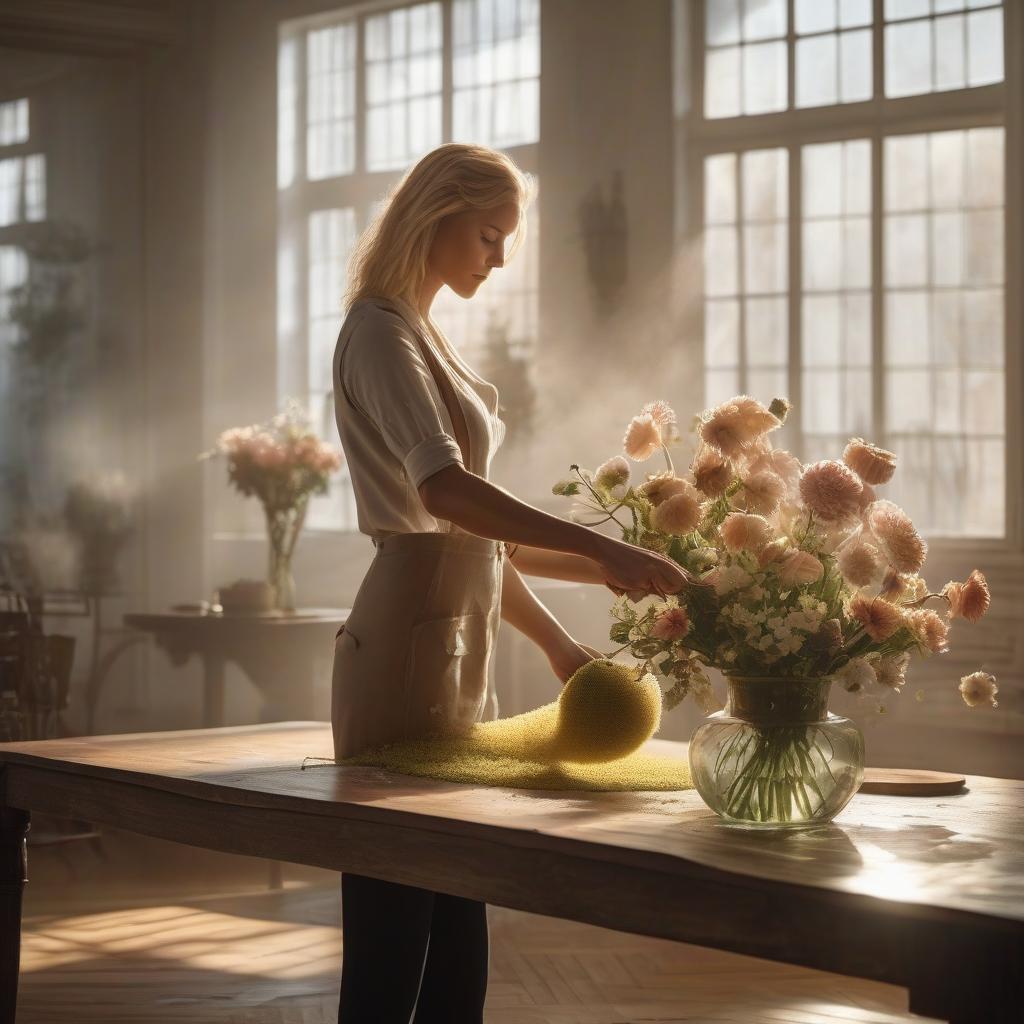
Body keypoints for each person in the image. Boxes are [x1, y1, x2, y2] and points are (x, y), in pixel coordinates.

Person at [330, 142, 703, 1023]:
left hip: (455, 651)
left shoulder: (427, 340)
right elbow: (444, 494)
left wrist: (567, 628)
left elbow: (478, 544)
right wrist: (600, 549)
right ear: (438, 213)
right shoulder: (379, 332)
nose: (498, 260)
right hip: (400, 656)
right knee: (391, 949)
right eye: (490, 235)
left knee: (461, 952)